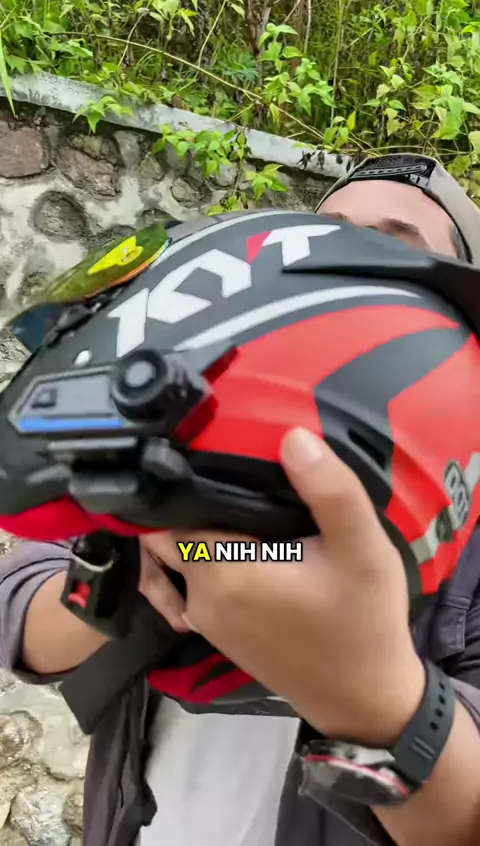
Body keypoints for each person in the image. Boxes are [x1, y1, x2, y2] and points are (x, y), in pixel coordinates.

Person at [1, 152, 480, 846]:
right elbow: (19, 611)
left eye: (386, 247)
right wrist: (122, 573)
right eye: (324, 237)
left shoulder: (465, 524)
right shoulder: (174, 428)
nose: (337, 260)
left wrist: (378, 699)